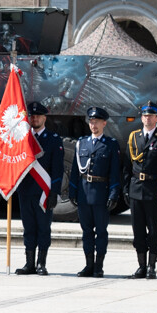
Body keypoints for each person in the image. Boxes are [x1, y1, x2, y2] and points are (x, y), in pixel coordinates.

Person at [68, 106, 122, 277]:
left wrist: (114, 194)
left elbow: (115, 172)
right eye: (91, 122)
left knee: (101, 232)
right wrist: (73, 191)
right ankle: (88, 264)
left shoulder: (110, 144)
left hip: (100, 194)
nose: (93, 125)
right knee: (86, 232)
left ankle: (99, 265)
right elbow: (76, 171)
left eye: (97, 122)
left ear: (104, 123)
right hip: (84, 193)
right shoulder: (81, 143)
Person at [15, 102, 64, 276]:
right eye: (32, 116)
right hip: (25, 191)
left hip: (44, 192)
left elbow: (58, 169)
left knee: (43, 228)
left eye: (38, 116)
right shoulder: (22, 139)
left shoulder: (53, 140)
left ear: (44, 118)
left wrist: (54, 192)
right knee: (28, 228)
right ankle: (29, 263)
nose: (34, 118)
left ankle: (41, 263)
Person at [125, 100, 157, 279]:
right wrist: (126, 189)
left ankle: (151, 266)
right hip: (136, 189)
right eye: (145, 115)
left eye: (151, 115)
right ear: (141, 118)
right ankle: (141, 265)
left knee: (154, 231)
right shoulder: (134, 137)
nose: (147, 118)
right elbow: (127, 166)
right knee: (138, 231)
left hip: (154, 189)